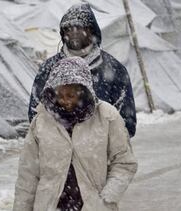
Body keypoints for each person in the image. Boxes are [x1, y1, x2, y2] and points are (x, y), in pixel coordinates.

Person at [14, 57, 137, 211]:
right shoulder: (41, 122)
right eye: (60, 95)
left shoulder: (106, 116)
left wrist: (106, 199)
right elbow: (28, 174)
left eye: (71, 95)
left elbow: (124, 163)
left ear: (84, 91)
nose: (65, 101)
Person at [28, 3, 137, 138]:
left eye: (79, 27)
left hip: (100, 154)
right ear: (63, 34)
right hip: (59, 152)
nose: (74, 32)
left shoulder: (114, 69)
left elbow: (126, 121)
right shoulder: (50, 68)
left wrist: (103, 144)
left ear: (92, 31)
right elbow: (35, 114)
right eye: (68, 28)